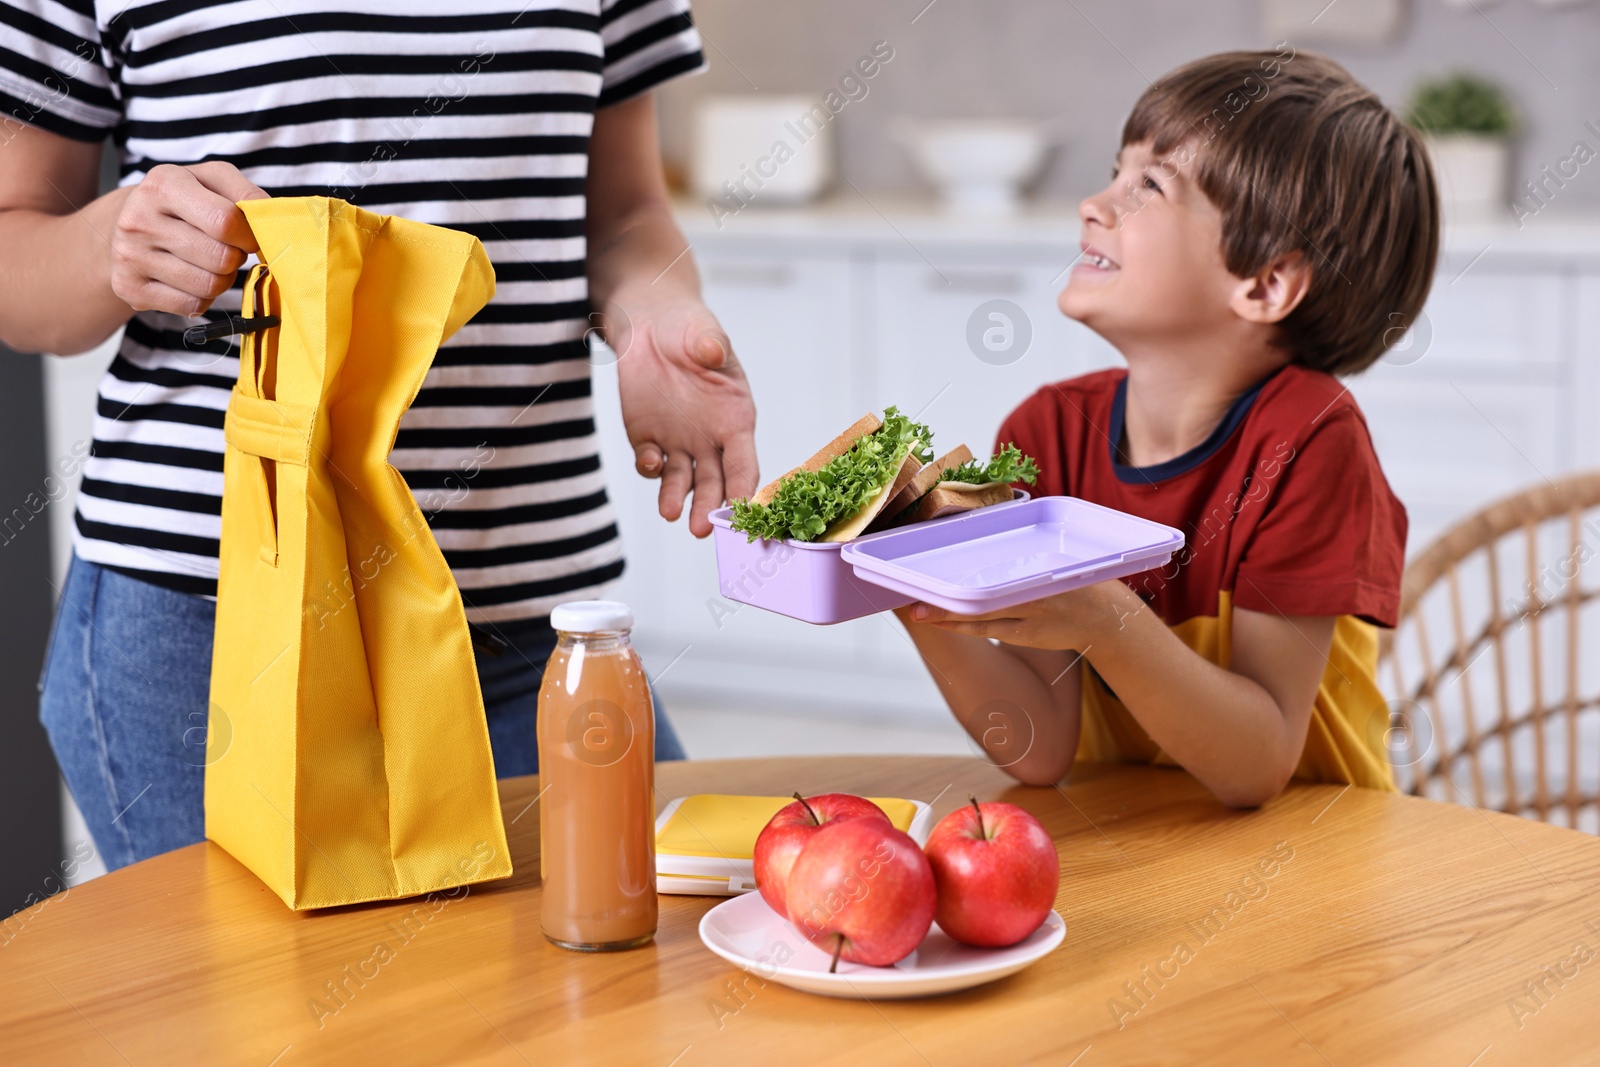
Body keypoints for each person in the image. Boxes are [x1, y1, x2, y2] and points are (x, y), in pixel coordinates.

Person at [0, 0, 757, 870]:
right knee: (267, 1005)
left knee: (624, 978)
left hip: (524, 629)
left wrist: (653, 310)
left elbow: (624, 213)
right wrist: (115, 243)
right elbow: (17, 262)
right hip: (213, 636)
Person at [898, 49, 1436, 806]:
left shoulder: (1311, 441)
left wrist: (1107, 619)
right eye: (1116, 172)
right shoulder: (1048, 431)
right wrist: (904, 586)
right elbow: (1041, 746)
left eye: (1148, 186)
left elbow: (1257, 762)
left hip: (1312, 852)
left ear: (1264, 284)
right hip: (1140, 840)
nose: (1094, 203)